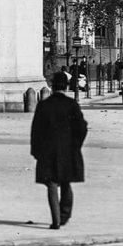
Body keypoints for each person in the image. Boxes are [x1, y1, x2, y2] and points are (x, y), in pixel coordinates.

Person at [31, 70, 88, 229]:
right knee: (66, 182)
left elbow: (36, 131)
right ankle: (64, 214)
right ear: (67, 86)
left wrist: (36, 152)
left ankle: (55, 219)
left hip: (48, 151)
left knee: (51, 184)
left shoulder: (43, 105)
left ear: (52, 86)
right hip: (68, 150)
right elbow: (82, 127)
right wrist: (76, 145)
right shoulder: (71, 105)